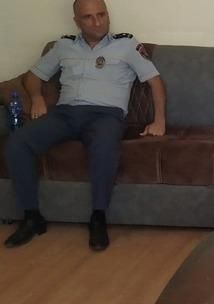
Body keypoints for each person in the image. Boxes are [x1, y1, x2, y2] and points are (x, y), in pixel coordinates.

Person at [3, 0, 166, 251]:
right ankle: (32, 217)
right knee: (17, 142)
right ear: (76, 21)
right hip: (65, 114)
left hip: (106, 115)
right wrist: (36, 98)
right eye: (89, 17)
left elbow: (155, 81)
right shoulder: (63, 46)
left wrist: (159, 120)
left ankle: (98, 217)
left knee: (104, 145)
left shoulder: (127, 44)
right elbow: (33, 76)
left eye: (102, 14)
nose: (98, 22)